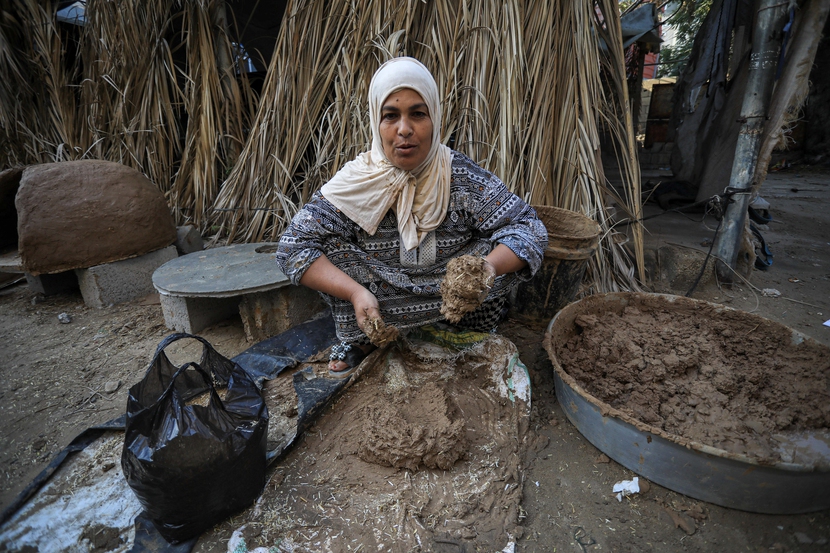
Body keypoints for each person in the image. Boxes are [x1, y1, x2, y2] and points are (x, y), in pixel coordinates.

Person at [275, 57, 547, 376]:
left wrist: (486, 268)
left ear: (435, 118)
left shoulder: (458, 175)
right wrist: (355, 292)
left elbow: (529, 227)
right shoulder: (355, 182)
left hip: (451, 296)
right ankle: (366, 339)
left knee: (493, 250)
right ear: (376, 123)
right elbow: (292, 248)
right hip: (381, 293)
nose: (405, 129)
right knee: (333, 251)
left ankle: (467, 332)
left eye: (418, 114)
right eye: (391, 116)